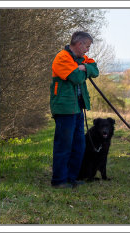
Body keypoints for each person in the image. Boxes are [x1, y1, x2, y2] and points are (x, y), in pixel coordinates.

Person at [49, 31, 99, 188]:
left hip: (77, 108)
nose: (87, 51)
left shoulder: (81, 59)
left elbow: (95, 70)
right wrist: (83, 70)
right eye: (87, 46)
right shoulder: (62, 58)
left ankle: (71, 178)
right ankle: (59, 181)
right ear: (79, 44)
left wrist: (83, 67)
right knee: (64, 146)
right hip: (64, 109)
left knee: (79, 145)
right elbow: (76, 78)